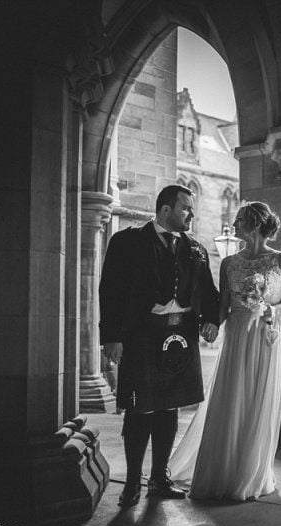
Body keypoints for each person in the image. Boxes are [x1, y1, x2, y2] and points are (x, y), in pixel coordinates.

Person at [168, 201, 281, 501]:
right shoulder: (229, 263)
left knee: (260, 400)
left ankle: (252, 472)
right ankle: (227, 470)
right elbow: (223, 305)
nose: (234, 223)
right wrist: (213, 325)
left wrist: (274, 310)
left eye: (239, 219)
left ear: (254, 224)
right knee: (233, 397)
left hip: (269, 333)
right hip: (239, 333)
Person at [100, 185, 220, 508]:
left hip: (181, 339)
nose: (191, 214)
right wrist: (111, 337)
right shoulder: (127, 243)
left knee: (170, 409)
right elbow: (109, 290)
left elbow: (208, 292)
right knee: (140, 410)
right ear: (165, 210)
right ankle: (133, 483)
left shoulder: (196, 249)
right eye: (186, 208)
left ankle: (159, 479)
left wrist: (212, 319)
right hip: (141, 337)